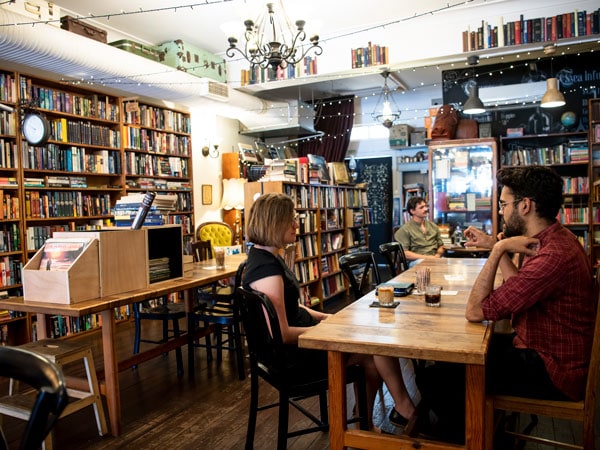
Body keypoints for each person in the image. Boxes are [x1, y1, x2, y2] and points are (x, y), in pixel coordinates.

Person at [418, 165, 596, 442]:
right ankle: (473, 430)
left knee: (437, 379)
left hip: (554, 369)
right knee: (453, 360)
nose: (500, 211)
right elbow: (520, 290)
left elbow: (475, 312)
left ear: (525, 206)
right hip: (548, 350)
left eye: (503, 204)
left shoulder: (552, 256)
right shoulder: (557, 239)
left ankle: (468, 440)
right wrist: (494, 245)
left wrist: (498, 249)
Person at [243, 192, 416, 430]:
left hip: (305, 339)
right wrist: (326, 329)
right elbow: (281, 333)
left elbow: (290, 306)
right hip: (295, 356)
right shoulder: (267, 271)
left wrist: (324, 316)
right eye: (290, 220)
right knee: (374, 346)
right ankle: (393, 411)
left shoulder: (265, 258)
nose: (296, 224)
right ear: (274, 223)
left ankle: (376, 415)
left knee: (374, 338)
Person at [394, 196, 444, 263]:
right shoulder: (404, 230)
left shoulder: (433, 226)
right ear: (412, 211)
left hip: (435, 258)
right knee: (423, 264)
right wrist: (429, 258)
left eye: (426, 206)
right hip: (417, 261)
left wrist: (437, 255)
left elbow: (441, 246)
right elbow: (405, 253)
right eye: (421, 207)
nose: (426, 209)